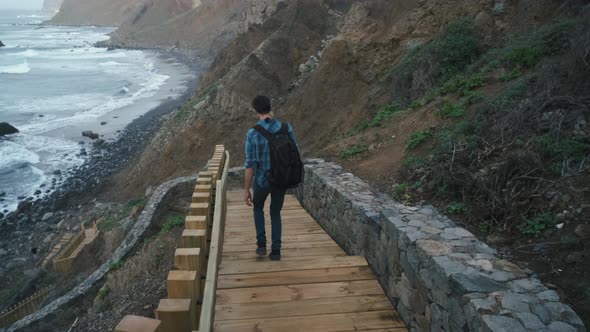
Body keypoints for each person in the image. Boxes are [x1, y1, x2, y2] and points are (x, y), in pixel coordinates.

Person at [244, 95, 300, 261]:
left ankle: (261, 245)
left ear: (256, 111)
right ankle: (276, 251)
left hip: (262, 181)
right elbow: (296, 152)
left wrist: (247, 190)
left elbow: (249, 164)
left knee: (257, 208)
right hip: (281, 179)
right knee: (275, 212)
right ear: (270, 107)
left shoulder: (253, 133)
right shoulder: (286, 127)